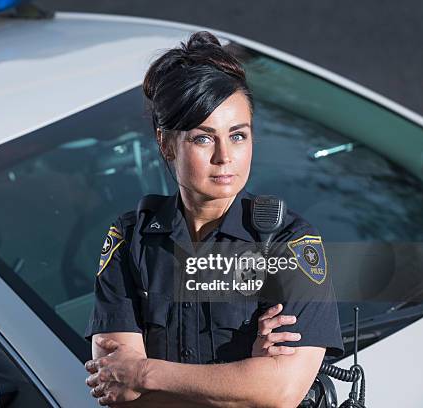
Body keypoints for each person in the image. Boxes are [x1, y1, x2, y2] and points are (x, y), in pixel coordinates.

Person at [83, 30, 344, 407]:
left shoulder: (288, 240)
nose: (225, 156)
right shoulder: (132, 240)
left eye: (238, 136)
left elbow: (281, 391)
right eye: (203, 138)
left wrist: (145, 372)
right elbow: (118, 392)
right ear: (165, 142)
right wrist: (245, 381)